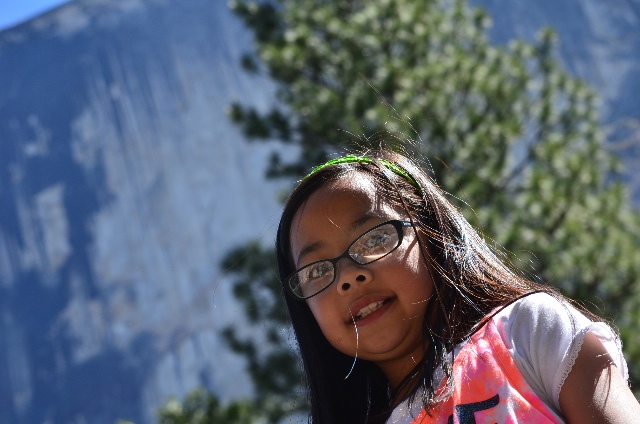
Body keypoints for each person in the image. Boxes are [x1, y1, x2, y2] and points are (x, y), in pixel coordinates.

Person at [274, 148, 640, 423]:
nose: (348, 277)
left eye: (375, 239)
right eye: (316, 271)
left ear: (429, 235)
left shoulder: (526, 331)